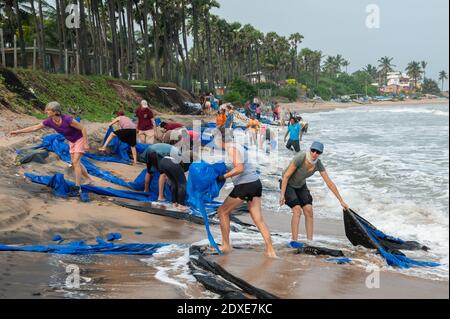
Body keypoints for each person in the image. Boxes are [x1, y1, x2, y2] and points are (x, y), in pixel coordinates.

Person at [215, 129, 277, 258]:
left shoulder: (231, 149)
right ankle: (270, 250)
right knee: (258, 219)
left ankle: (226, 245)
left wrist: (223, 177)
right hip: (255, 183)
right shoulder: (236, 146)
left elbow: (240, 168)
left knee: (222, 212)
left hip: (245, 185)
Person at [9, 102, 92, 189]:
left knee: (75, 162)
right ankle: (89, 179)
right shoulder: (49, 121)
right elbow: (34, 128)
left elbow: (83, 128)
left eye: (48, 110)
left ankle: (77, 186)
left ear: (55, 111)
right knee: (76, 163)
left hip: (80, 139)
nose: (46, 112)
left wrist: (86, 143)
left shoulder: (68, 119)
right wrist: (18, 132)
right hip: (71, 141)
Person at [279, 142, 349, 243]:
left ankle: (310, 242)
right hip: (288, 184)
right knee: (297, 210)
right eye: (313, 150)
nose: (314, 154)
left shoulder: (318, 164)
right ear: (310, 149)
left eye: (318, 152)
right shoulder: (300, 157)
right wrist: (282, 195)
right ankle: (294, 241)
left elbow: (329, 183)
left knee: (309, 210)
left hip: (301, 185)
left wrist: (341, 201)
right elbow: (285, 176)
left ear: (320, 153)